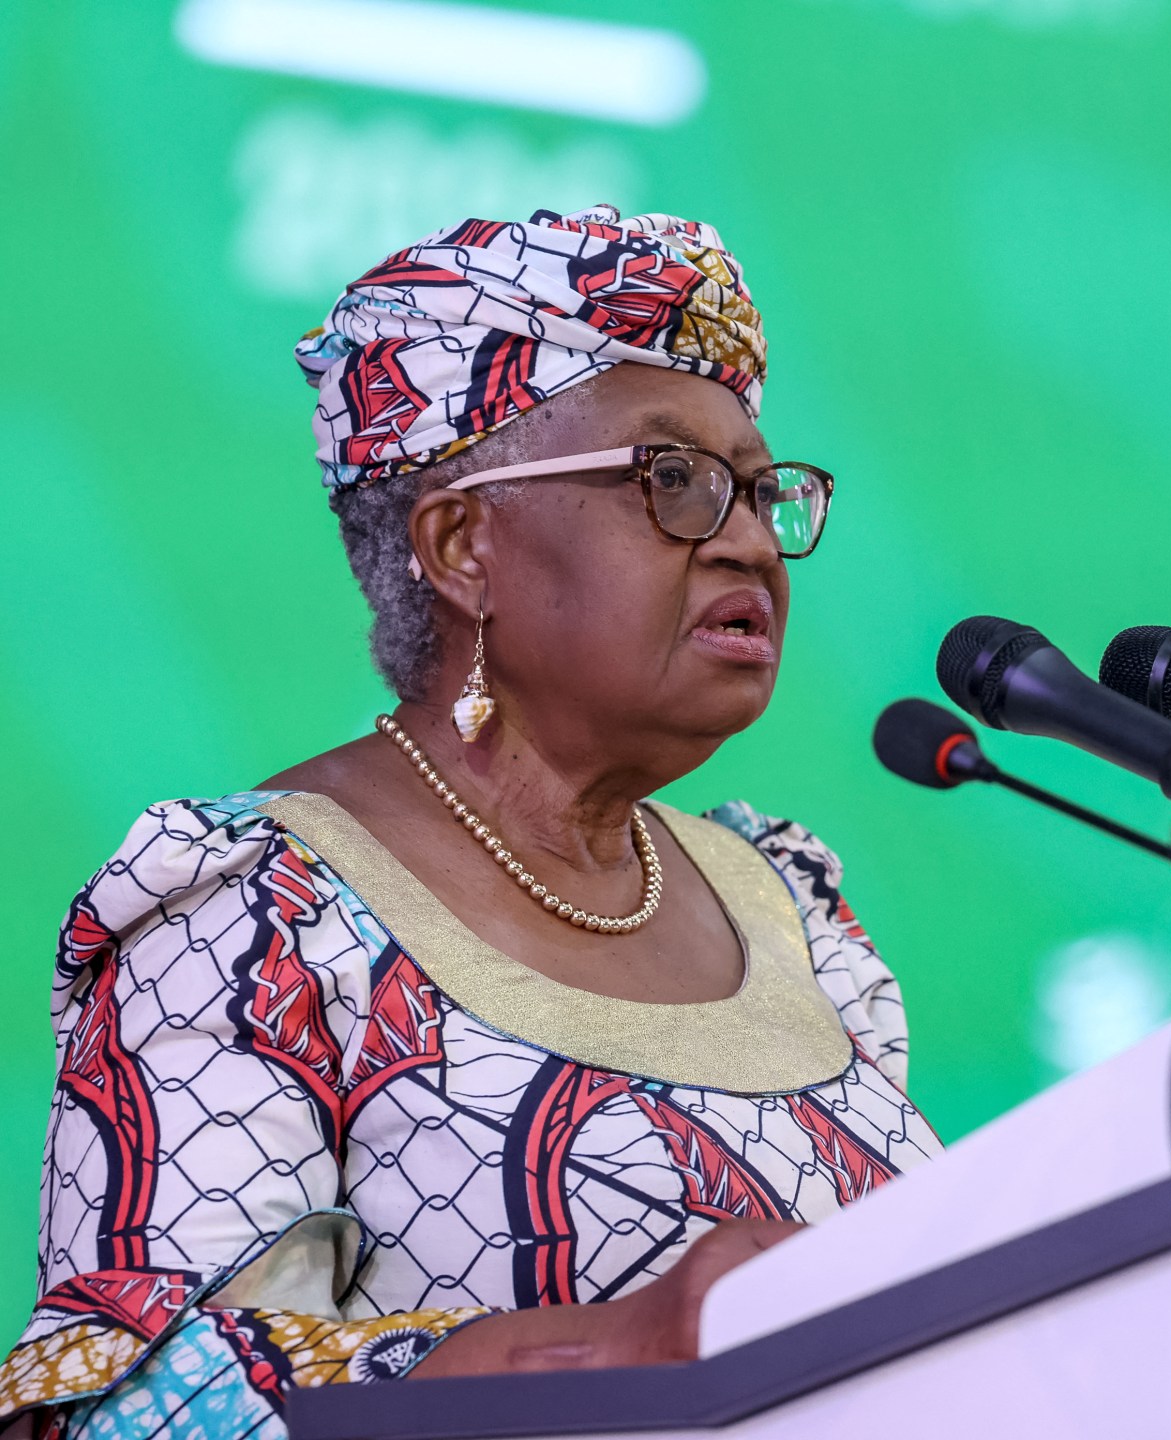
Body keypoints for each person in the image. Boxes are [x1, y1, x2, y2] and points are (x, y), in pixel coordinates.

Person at [0, 206, 941, 1437]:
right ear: (461, 546)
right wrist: (609, 1353)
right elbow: (125, 1407)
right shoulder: (254, 916)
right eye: (676, 483)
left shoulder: (787, 906)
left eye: (763, 494)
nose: (754, 544)